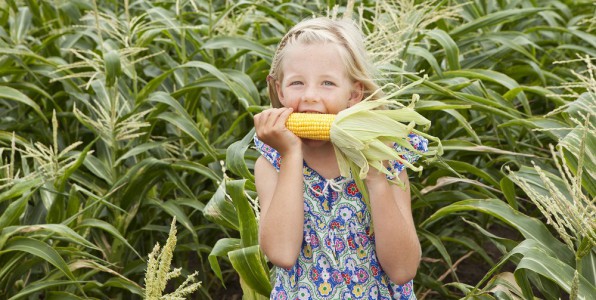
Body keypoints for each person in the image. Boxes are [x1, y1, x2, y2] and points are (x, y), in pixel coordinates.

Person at [253, 16, 428, 299]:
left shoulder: (384, 156)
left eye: (327, 83)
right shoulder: (272, 162)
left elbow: (403, 269)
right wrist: (291, 153)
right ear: (279, 89)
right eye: (297, 82)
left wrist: (377, 178)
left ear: (354, 93)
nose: (310, 96)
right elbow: (282, 254)